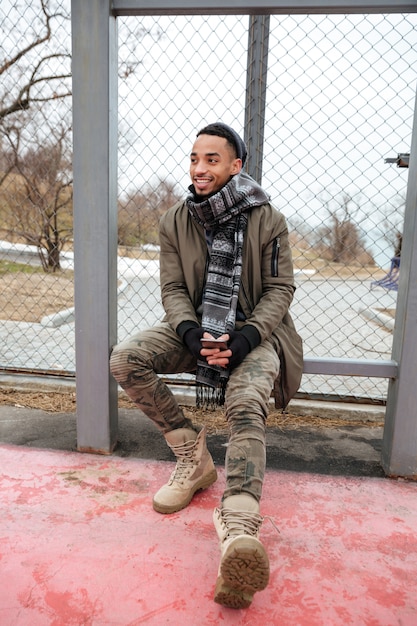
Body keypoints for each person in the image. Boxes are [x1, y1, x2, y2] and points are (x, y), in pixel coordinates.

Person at [110, 122, 303, 609]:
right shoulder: (175, 220)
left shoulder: (268, 219)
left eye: (212, 159)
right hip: (195, 329)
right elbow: (173, 288)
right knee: (126, 359)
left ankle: (239, 523)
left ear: (236, 165)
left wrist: (243, 339)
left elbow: (280, 288)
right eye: (195, 158)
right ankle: (193, 460)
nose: (199, 168)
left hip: (254, 334)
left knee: (244, 402)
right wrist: (192, 335)